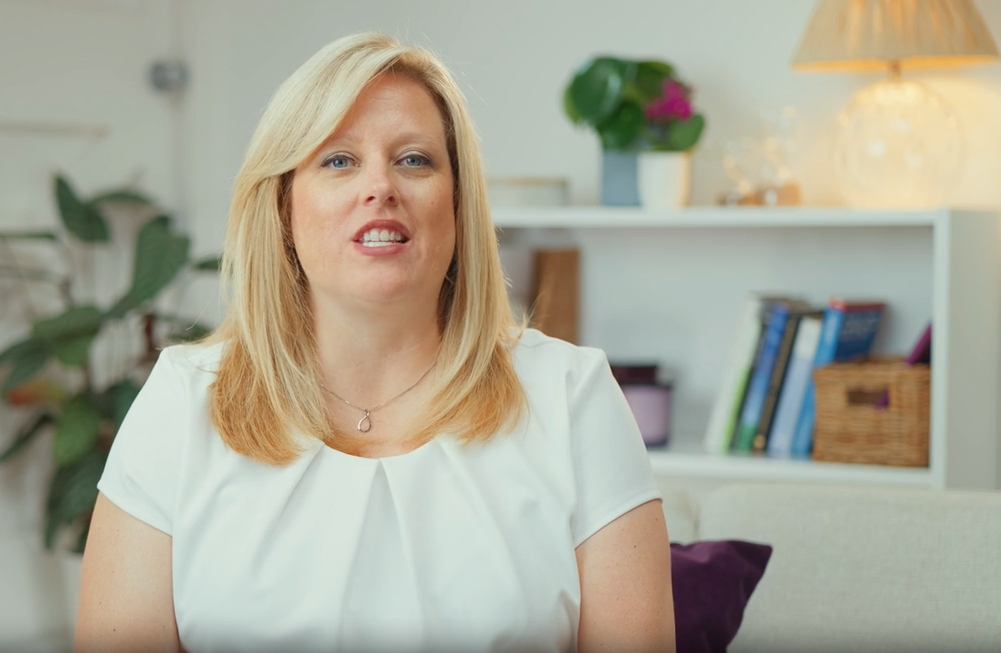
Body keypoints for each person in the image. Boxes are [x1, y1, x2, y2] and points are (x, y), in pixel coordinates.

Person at [75, 32, 674, 653]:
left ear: (458, 202)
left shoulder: (573, 396)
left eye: (414, 159)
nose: (381, 187)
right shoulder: (181, 402)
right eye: (338, 160)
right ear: (283, 207)